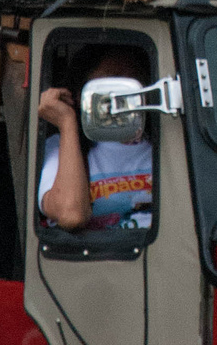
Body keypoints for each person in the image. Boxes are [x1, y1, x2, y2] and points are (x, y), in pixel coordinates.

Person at [37, 47, 153, 232]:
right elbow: (71, 216)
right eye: (110, 82)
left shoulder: (164, 145)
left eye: (131, 80)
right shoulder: (60, 147)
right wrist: (67, 123)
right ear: (79, 94)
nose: (119, 95)